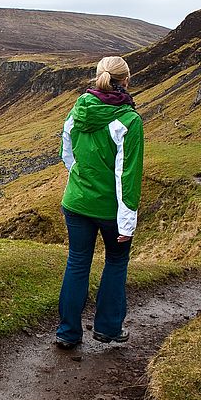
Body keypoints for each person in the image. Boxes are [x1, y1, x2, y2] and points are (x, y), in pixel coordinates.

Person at [55, 56, 143, 349]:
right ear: (126, 80)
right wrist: (127, 223)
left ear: (98, 76)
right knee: (116, 262)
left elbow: (66, 151)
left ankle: (67, 332)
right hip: (110, 210)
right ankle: (108, 328)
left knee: (77, 262)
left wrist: (80, 180)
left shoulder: (79, 108)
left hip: (76, 202)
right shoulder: (129, 120)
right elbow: (127, 176)